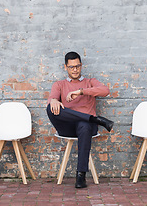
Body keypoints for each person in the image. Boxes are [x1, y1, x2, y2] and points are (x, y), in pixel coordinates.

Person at [47, 51, 114, 188]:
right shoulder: (59, 84)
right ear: (65, 67)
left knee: (84, 124)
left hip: (86, 128)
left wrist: (80, 91)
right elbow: (52, 98)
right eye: (71, 67)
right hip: (68, 127)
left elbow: (105, 90)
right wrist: (53, 100)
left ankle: (80, 176)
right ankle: (95, 119)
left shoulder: (90, 82)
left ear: (81, 66)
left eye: (77, 66)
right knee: (50, 109)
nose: (75, 69)